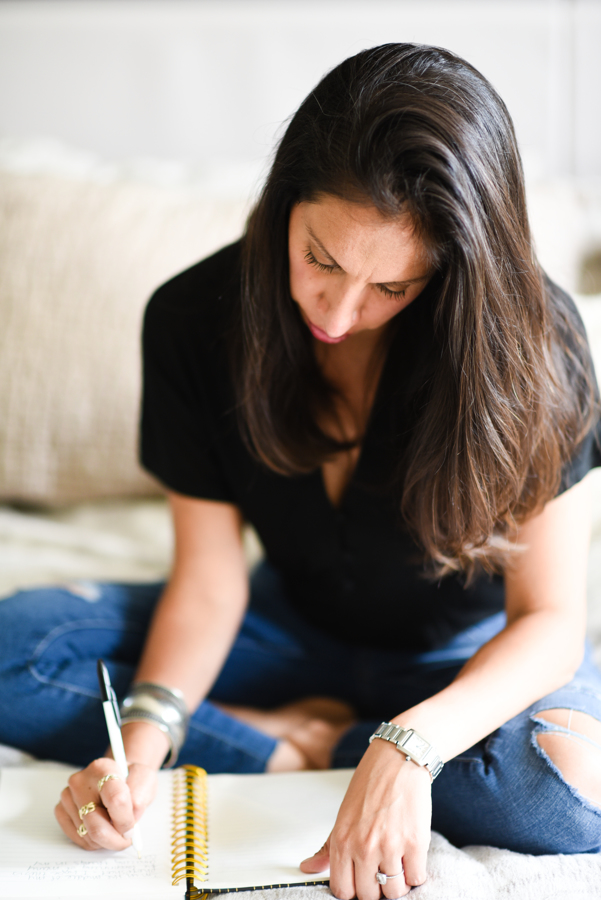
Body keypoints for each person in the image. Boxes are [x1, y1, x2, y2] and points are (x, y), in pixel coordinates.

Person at [1, 42, 601, 898]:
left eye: (392, 287)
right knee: (14, 650)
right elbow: (208, 582)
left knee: (566, 790)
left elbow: (547, 619)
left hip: (461, 659)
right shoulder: (190, 319)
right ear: (285, 198)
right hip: (279, 629)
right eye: (321, 259)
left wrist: (410, 744)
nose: (339, 311)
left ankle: (340, 746)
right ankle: (302, 746)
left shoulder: (533, 341)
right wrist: (137, 749)